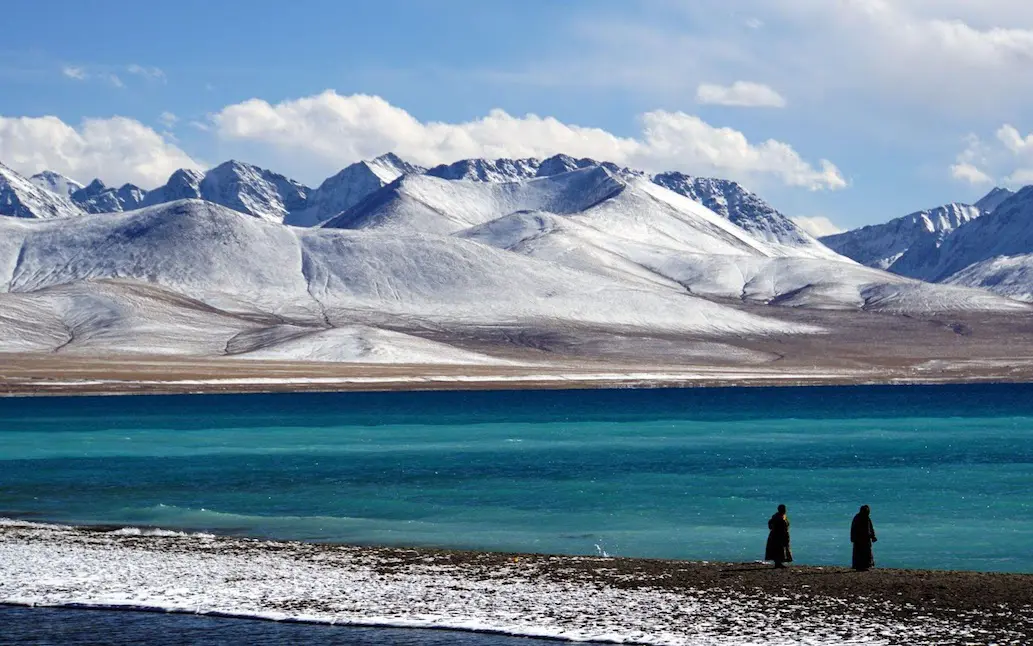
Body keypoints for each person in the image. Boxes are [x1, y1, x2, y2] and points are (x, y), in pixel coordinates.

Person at [851, 504, 877, 571]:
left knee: (866, 553)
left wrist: (873, 536)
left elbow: (870, 528)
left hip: (865, 539)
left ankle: (866, 566)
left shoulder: (866, 518)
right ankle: (860, 567)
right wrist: (853, 538)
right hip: (859, 539)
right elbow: (854, 529)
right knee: (860, 553)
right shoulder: (858, 518)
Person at [765, 504, 792, 568]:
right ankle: (778, 563)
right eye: (784, 509)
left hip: (778, 535)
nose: (785, 510)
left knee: (780, 549)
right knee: (778, 549)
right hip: (777, 535)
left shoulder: (780, 516)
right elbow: (772, 524)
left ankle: (778, 563)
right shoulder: (778, 517)